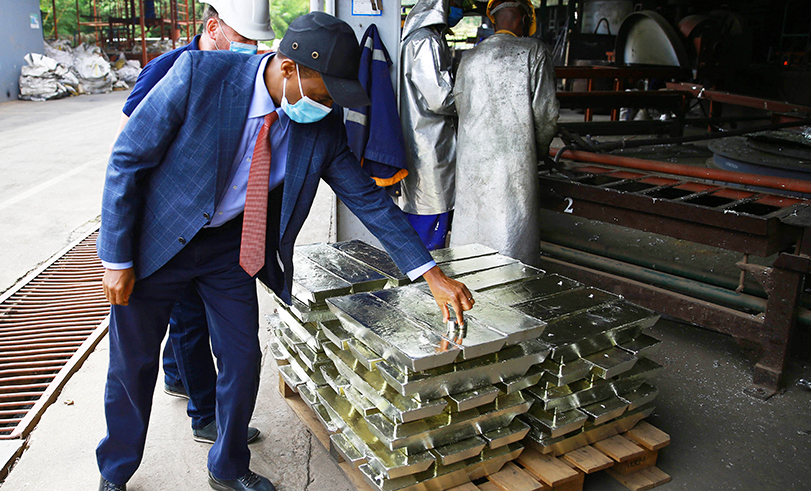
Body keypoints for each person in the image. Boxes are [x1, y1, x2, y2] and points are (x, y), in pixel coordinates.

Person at [97, 11, 474, 491]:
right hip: (155, 244)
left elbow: (370, 201)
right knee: (133, 365)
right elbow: (127, 160)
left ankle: (227, 466)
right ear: (290, 68)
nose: (328, 104)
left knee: (242, 358)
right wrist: (117, 259)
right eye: (324, 92)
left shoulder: (320, 126)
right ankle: (115, 471)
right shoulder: (198, 76)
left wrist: (430, 274)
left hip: (228, 250)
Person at [111, 0, 270, 448]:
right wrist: (123, 247)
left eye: (259, 42)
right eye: (244, 41)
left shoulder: (244, 73)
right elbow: (127, 150)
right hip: (165, 229)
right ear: (214, 27)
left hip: (217, 234)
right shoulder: (172, 68)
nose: (253, 50)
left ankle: (195, 399)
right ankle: (202, 413)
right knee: (186, 324)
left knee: (206, 330)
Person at [450, 0, 560, 267]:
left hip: (472, 163)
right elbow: (547, 113)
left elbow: (460, 108)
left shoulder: (469, 58)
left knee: (472, 237)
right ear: (523, 19)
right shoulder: (534, 51)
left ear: (492, 20)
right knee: (512, 238)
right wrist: (541, 151)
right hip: (515, 163)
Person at [396, 0, 470, 251]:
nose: (461, 9)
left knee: (421, 214)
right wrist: (472, 99)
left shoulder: (418, 38)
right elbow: (440, 98)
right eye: (456, 3)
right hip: (429, 143)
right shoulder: (425, 41)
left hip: (423, 138)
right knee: (430, 216)